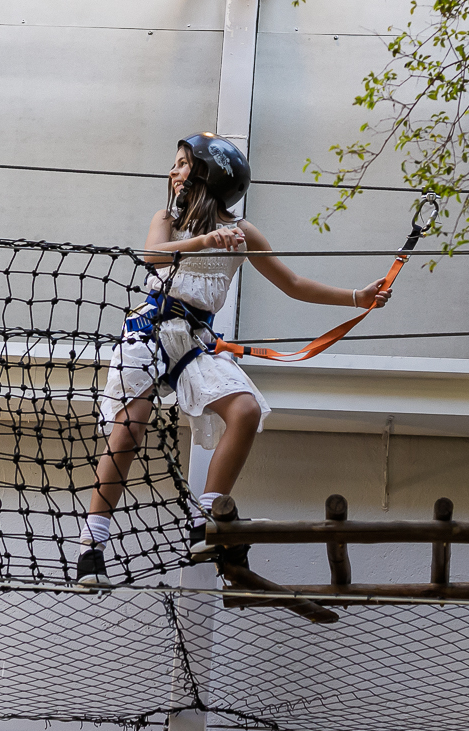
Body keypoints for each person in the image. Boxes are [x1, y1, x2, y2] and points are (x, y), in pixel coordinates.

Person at [76, 132, 392, 585]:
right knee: (130, 427)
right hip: (151, 329)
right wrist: (204, 242)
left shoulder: (243, 234)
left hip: (195, 340)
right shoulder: (168, 218)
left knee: (243, 409)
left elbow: (293, 283)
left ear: (208, 173)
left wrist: (357, 297)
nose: (173, 171)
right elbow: (151, 255)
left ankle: (205, 520)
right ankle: (93, 543)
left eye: (183, 163)